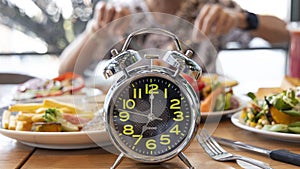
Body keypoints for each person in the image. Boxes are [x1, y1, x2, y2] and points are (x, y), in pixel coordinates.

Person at [58, 0, 289, 76]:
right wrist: (95, 30)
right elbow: (66, 72)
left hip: (206, 124)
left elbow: (287, 35)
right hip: (135, 121)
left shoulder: (212, 7)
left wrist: (243, 19)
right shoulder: (123, 11)